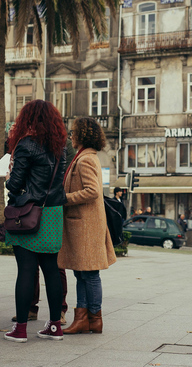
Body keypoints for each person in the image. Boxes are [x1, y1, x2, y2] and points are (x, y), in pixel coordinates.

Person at [3, 100, 67, 342]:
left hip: (30, 213)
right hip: (52, 212)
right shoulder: (62, 146)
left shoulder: (26, 145)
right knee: (51, 269)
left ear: (28, 119)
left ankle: (20, 329)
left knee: (26, 270)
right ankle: (54, 326)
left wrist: (9, 176)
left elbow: (15, 184)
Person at [60, 117, 116, 335]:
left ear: (82, 135)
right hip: (84, 225)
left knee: (89, 274)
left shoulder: (85, 160)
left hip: (86, 226)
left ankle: (94, 318)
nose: (71, 135)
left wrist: (66, 198)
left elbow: (93, 191)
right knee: (82, 274)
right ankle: (83, 319)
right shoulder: (85, 157)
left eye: (74, 132)